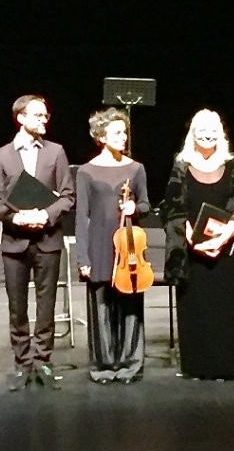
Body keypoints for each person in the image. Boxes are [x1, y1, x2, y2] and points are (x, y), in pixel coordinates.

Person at [0, 95, 75, 391]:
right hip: (15, 241)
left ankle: (43, 361)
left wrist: (45, 215)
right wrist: (18, 219)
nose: (44, 120)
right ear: (21, 118)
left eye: (46, 116)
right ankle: (22, 362)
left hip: (48, 239)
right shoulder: (1, 155)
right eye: (38, 115)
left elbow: (67, 196)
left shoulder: (56, 152)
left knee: (46, 304)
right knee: (17, 306)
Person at [162, 109, 234, 380]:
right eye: (202, 130)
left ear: (220, 133)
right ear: (193, 135)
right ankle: (198, 366)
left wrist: (224, 237)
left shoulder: (231, 165)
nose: (208, 135)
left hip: (224, 252)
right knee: (197, 307)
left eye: (213, 130)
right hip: (194, 251)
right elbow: (173, 207)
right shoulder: (182, 165)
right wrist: (190, 237)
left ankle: (227, 365)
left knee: (224, 308)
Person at [75, 107, 150, 385]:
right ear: (101, 136)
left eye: (124, 132)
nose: (123, 137)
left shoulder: (135, 168)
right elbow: (82, 215)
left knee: (130, 305)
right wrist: (82, 256)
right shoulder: (86, 171)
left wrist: (136, 206)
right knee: (102, 307)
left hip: (129, 246)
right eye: (117, 132)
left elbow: (146, 204)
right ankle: (104, 365)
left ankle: (131, 363)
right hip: (99, 245)